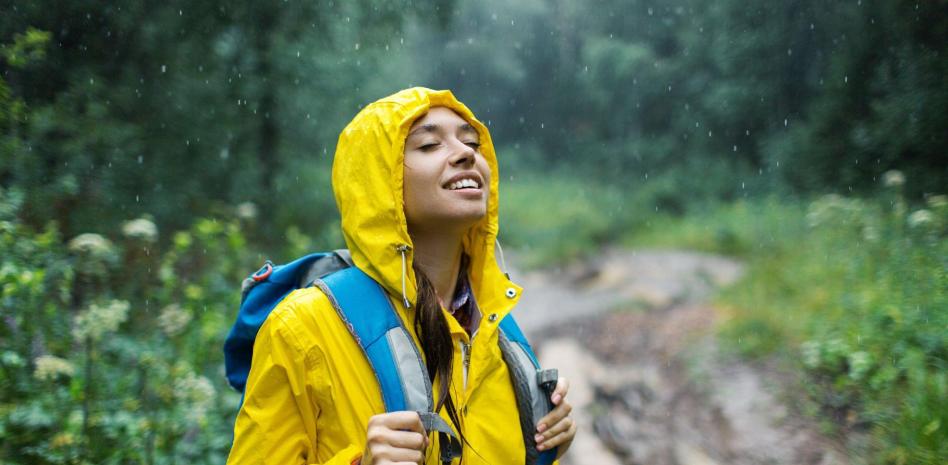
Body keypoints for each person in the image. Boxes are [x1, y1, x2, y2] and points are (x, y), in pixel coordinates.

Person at [226, 88, 576, 464]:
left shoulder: (496, 330)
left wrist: (546, 442)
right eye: (428, 145)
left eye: (471, 140)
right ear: (378, 184)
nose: (466, 153)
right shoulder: (302, 327)